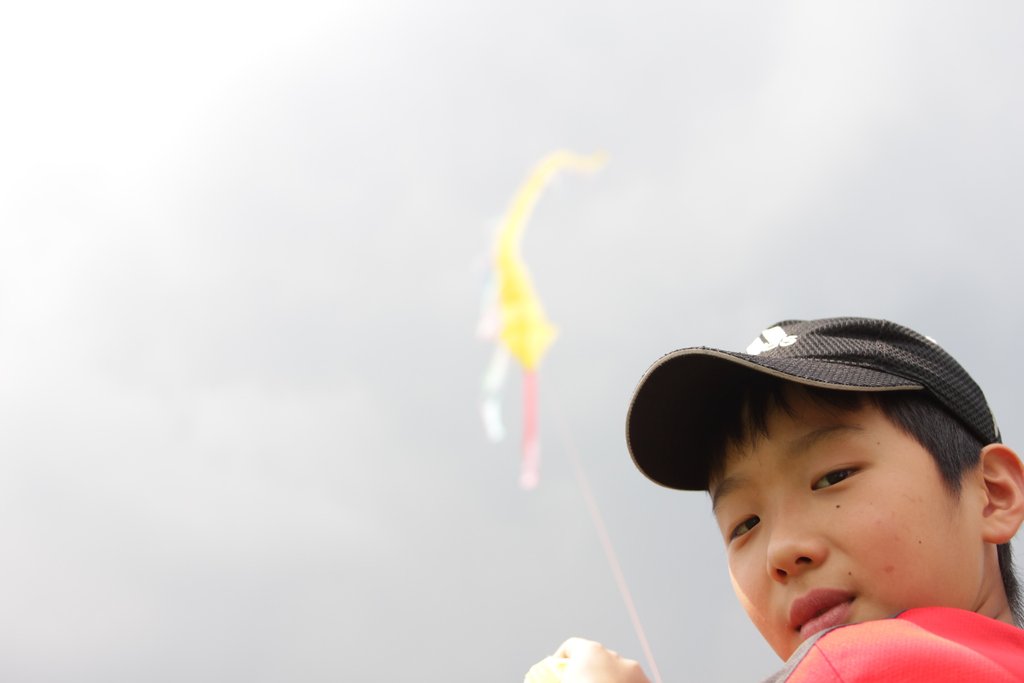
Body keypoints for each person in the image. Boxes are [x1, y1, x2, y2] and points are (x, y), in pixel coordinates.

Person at [528, 317, 1024, 682]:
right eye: (744, 524)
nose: (781, 551)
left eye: (833, 477)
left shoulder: (858, 665)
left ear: (993, 494)